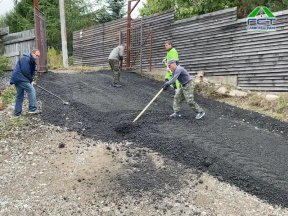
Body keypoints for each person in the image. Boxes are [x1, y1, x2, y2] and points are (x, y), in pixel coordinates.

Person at [10, 49, 41, 116]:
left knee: (20, 95)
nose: (37, 57)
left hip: (18, 79)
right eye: (37, 55)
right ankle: (32, 109)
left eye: (38, 56)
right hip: (20, 78)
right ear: (33, 53)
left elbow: (30, 71)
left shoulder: (30, 59)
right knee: (31, 90)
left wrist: (31, 80)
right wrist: (31, 80)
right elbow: (25, 71)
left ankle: (17, 113)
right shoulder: (26, 58)